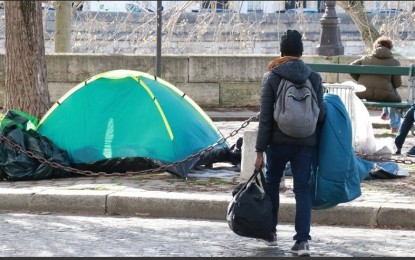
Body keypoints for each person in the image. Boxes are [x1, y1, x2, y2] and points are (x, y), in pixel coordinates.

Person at [254, 29, 326, 256]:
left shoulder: (272, 77)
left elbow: (265, 118)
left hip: (277, 142)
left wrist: (259, 151)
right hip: (305, 143)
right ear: (302, 52)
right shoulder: (313, 77)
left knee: (273, 183)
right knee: (302, 189)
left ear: (282, 51)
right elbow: (321, 115)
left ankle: (271, 233)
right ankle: (302, 241)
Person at [349, 36, 402, 133]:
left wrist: (360, 79)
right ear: (389, 48)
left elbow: (351, 67)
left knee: (387, 92)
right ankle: (394, 126)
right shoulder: (394, 62)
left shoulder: (366, 59)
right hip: (385, 95)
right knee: (395, 98)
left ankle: (385, 113)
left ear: (375, 47)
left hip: (364, 93)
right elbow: (397, 84)